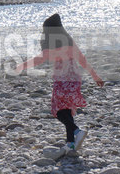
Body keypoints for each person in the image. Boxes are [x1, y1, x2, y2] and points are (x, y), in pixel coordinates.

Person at [15, 14, 104, 154]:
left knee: (58, 110)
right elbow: (82, 59)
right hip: (74, 78)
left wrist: (21, 66)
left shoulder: (49, 43)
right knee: (66, 109)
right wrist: (95, 76)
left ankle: (76, 131)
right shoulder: (68, 40)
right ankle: (70, 143)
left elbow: (39, 60)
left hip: (62, 79)